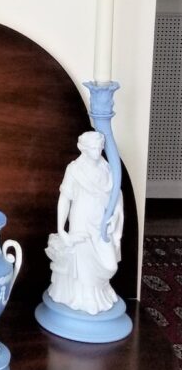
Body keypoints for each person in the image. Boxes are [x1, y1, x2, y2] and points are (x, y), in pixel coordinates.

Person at [45, 130, 123, 314]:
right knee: (84, 260)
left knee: (110, 265)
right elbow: (64, 199)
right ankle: (87, 295)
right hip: (81, 221)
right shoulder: (74, 169)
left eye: (100, 147)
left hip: (102, 223)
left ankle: (100, 289)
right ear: (82, 148)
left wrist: (115, 215)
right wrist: (61, 229)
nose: (97, 151)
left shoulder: (107, 168)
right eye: (93, 148)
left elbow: (116, 195)